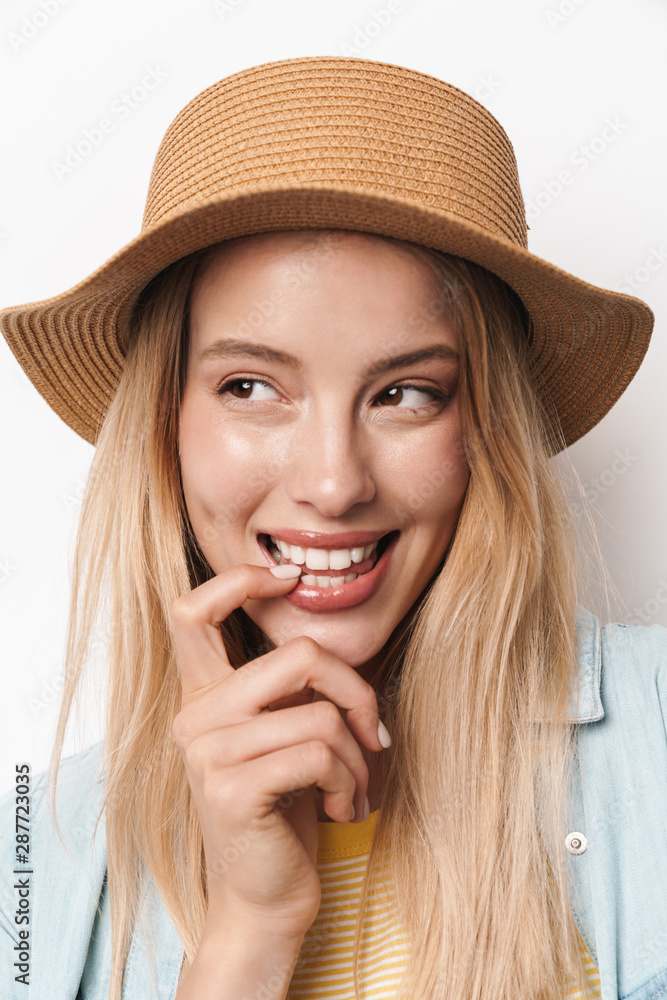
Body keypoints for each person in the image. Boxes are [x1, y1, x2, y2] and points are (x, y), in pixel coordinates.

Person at [1, 55, 665, 1000]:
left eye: (404, 394)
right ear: (166, 425)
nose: (331, 482)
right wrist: (246, 937)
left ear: (486, 431)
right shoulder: (31, 855)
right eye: (251, 387)